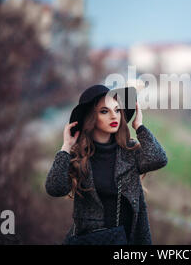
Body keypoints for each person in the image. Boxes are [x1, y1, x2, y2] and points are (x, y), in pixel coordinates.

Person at [45, 84, 168, 245]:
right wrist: (66, 148)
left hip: (127, 241)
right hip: (88, 240)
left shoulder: (129, 151)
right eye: (104, 111)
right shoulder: (78, 155)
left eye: (117, 110)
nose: (113, 116)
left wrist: (139, 127)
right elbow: (55, 189)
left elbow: (159, 158)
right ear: (91, 117)